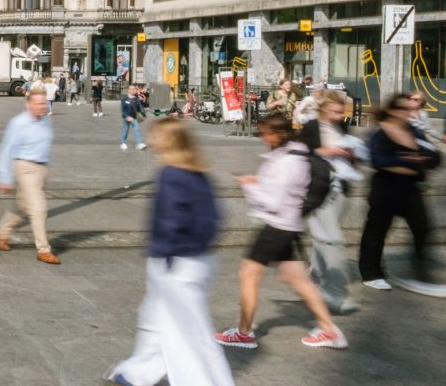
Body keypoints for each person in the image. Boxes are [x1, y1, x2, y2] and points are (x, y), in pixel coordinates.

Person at [103, 119, 234, 386]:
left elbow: (171, 220)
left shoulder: (171, 173)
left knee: (188, 331)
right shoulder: (199, 172)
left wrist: (167, 253)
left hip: (176, 261)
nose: (151, 141)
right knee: (154, 318)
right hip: (199, 259)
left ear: (168, 141)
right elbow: (215, 218)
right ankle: (137, 373)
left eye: (155, 136)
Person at [215, 113, 345, 351]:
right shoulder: (292, 153)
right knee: (298, 278)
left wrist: (249, 186)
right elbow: (282, 190)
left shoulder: (288, 161)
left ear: (278, 134)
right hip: (288, 225)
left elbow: (273, 202)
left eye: (265, 133)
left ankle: (243, 333)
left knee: (249, 274)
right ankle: (329, 330)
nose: (262, 137)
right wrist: (259, 182)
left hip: (277, 226)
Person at [357, 95, 446, 297]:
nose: (410, 111)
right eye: (404, 108)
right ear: (392, 110)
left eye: (412, 108)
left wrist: (407, 160)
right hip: (385, 188)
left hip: (410, 188)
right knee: (377, 231)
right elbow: (379, 161)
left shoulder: (413, 130)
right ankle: (371, 273)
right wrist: (414, 160)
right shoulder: (380, 133)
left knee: (422, 227)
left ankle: (421, 272)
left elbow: (436, 158)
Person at [295, 89, 363, 316]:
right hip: (319, 189)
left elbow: (353, 155)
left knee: (322, 239)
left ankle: (314, 280)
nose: (338, 116)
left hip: (341, 188)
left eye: (341, 112)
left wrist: (351, 155)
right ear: (323, 109)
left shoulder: (343, 126)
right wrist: (327, 150)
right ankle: (336, 293)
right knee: (332, 240)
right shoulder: (312, 127)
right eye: (334, 111)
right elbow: (299, 153)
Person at [0, 84, 60, 265]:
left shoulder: (46, 121)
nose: (42, 107)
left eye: (44, 103)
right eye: (38, 104)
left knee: (22, 207)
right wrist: (4, 177)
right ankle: (44, 250)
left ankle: (2, 232)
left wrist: (47, 168)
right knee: (38, 208)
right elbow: (6, 149)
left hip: (42, 169)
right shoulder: (18, 123)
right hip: (25, 167)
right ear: (29, 104)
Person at [119, 85, 146, 150]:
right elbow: (123, 109)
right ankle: (123, 143)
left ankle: (140, 143)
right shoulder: (124, 99)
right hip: (126, 117)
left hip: (134, 117)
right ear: (128, 90)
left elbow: (140, 107)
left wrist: (143, 113)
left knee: (137, 129)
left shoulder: (137, 98)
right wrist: (126, 116)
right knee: (125, 130)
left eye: (134, 89)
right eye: (131, 89)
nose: (133, 90)